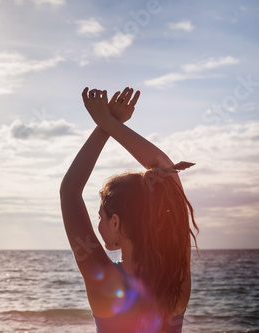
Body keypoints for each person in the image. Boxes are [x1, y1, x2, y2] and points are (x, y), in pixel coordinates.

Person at [60, 87, 199, 332]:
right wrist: (108, 122)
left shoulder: (107, 282)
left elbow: (70, 193)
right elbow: (166, 170)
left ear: (116, 222)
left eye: (100, 217)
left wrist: (104, 125)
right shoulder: (177, 280)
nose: (99, 224)